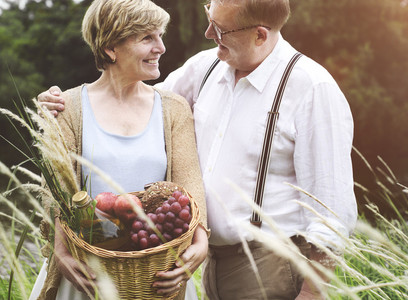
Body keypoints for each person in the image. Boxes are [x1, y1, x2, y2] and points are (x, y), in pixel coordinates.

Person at [39, 0, 357, 298]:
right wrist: (60, 104)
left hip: (269, 266)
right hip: (203, 265)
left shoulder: (312, 88)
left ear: (259, 35)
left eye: (220, 29)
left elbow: (332, 212)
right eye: (210, 19)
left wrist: (313, 292)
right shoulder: (206, 68)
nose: (208, 34)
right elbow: (132, 102)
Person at [29, 0, 209, 299]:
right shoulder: (68, 108)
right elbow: (56, 192)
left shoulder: (173, 109)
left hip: (156, 276)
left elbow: (190, 183)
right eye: (147, 38)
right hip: (87, 276)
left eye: (160, 36)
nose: (161, 47)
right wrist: (61, 253)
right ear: (111, 47)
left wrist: (200, 241)